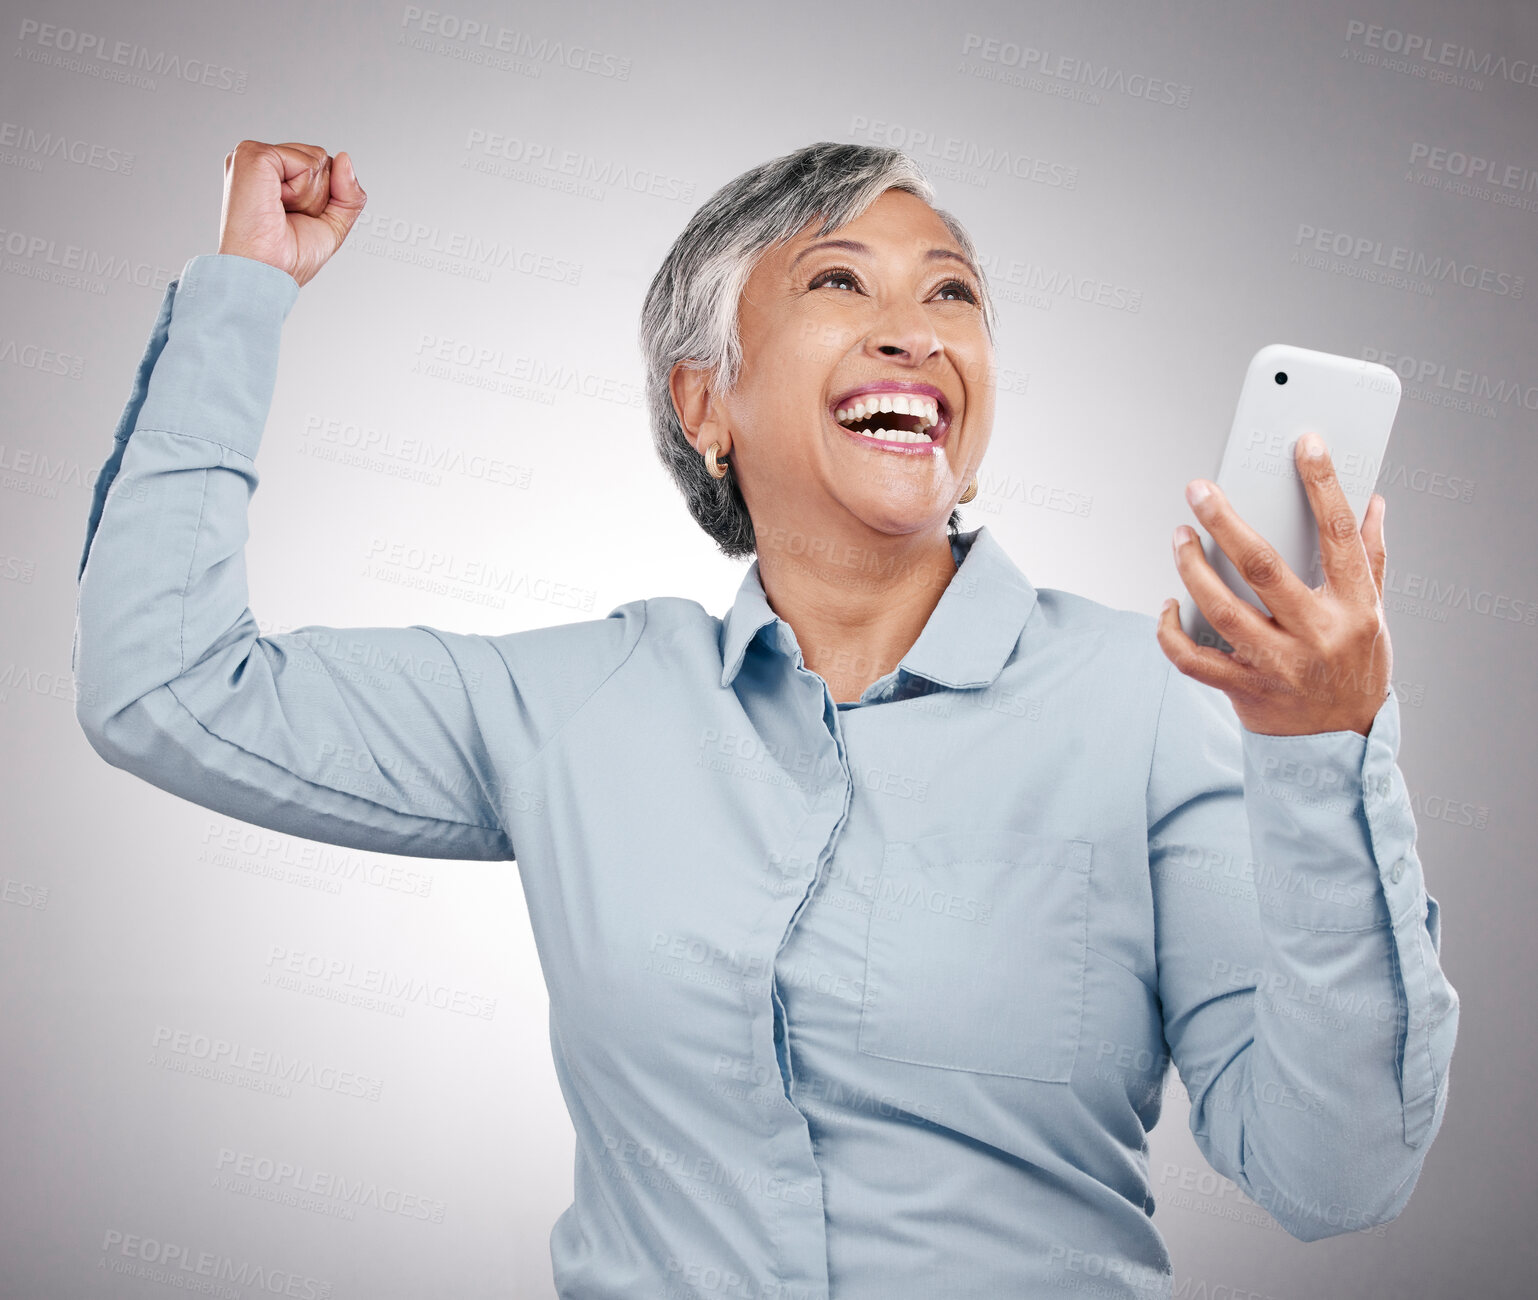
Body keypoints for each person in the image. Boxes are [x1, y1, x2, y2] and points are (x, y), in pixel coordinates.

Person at [72, 139, 1458, 1300]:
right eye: (837, 281)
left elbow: (1329, 1174)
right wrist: (245, 290)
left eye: (953, 294)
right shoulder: (574, 707)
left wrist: (1320, 747)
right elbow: (169, 688)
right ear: (703, 401)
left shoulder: (1158, 706)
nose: (915, 327)